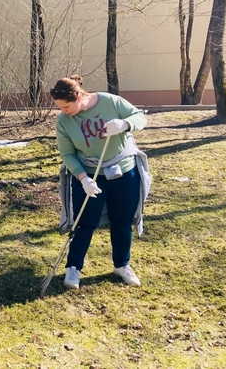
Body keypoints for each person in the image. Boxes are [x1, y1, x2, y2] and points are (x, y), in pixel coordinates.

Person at [50, 75, 149, 290]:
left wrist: (125, 124)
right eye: (60, 107)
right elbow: (67, 154)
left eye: (66, 106)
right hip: (89, 175)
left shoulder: (110, 102)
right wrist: (83, 178)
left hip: (124, 172)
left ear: (78, 96)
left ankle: (121, 265)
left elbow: (140, 117)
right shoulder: (63, 121)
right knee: (84, 223)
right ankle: (74, 267)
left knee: (122, 221)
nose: (63, 111)